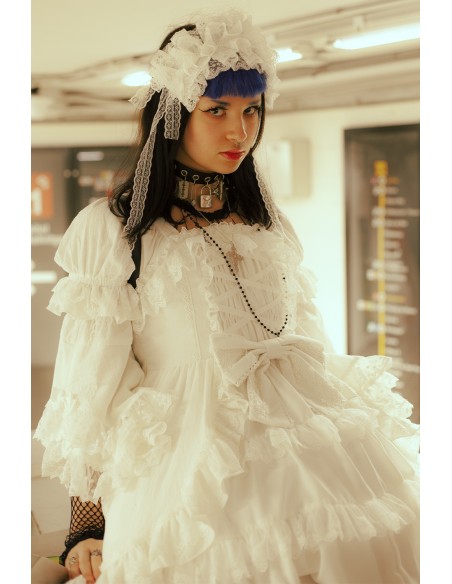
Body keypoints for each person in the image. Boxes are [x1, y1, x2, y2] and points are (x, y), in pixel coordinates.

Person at [34, 8, 420, 584]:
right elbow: (90, 386)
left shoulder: (268, 223)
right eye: (216, 110)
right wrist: (86, 524)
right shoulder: (115, 230)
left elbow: (308, 339)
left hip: (312, 441)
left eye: (251, 110)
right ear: (174, 115)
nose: (240, 131)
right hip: (192, 458)